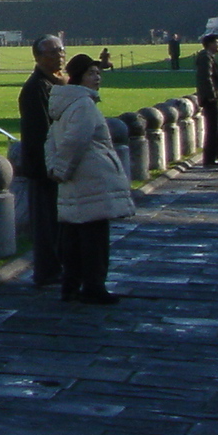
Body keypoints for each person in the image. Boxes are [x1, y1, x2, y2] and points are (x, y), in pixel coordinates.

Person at [45, 53, 134, 304]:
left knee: (73, 235)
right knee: (94, 237)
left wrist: (55, 168)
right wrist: (60, 169)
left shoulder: (65, 103)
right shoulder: (83, 104)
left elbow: (52, 139)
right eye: (92, 73)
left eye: (98, 73)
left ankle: (71, 285)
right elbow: (75, 140)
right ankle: (94, 286)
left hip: (75, 178)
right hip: (90, 177)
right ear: (79, 76)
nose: (98, 78)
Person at [17, 34, 66, 288]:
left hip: (53, 164)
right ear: (37, 57)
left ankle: (55, 266)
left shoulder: (52, 83)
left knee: (55, 221)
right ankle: (47, 271)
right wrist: (52, 165)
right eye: (52, 53)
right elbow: (40, 133)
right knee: (46, 223)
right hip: (44, 167)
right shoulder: (36, 88)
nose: (59, 56)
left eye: (60, 51)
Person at [194, 33, 218, 167]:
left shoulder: (208, 57)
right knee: (212, 129)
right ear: (210, 44)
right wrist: (211, 96)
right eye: (216, 43)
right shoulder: (205, 57)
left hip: (214, 97)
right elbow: (205, 78)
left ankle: (215, 153)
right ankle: (209, 159)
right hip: (210, 99)